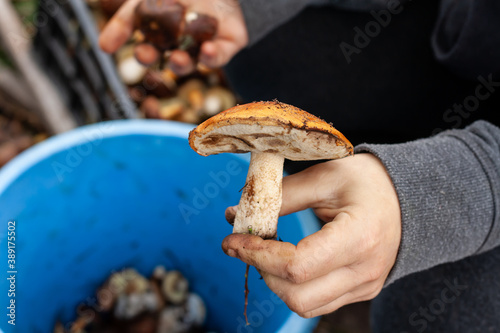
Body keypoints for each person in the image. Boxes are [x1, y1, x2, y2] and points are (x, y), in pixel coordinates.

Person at [99, 0, 500, 331]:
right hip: (449, 28)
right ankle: (362, 178)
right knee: (261, 54)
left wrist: (421, 198)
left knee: (429, 314)